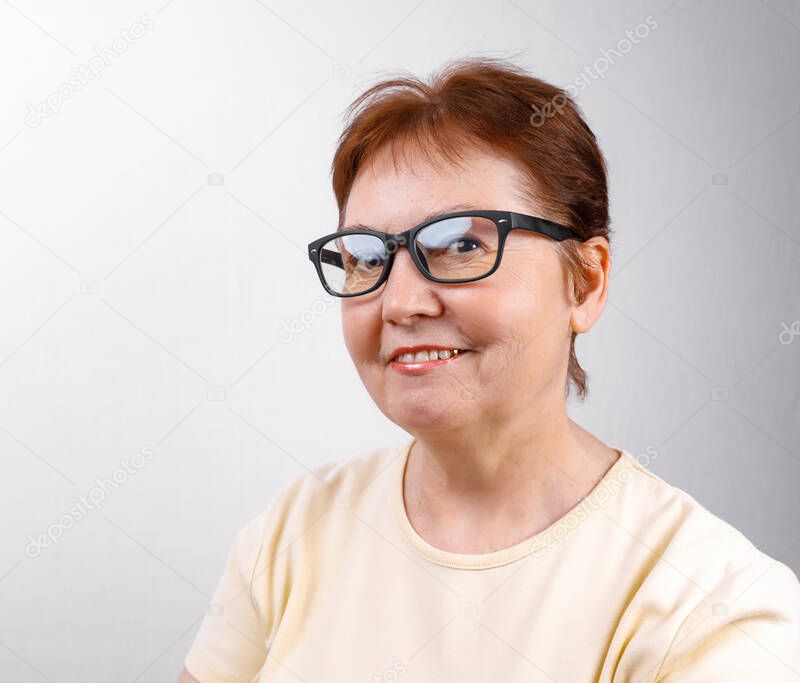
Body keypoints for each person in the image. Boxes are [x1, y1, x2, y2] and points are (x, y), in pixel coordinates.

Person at [178, 57, 800, 681]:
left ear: (584, 283)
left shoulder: (713, 606)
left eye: (463, 245)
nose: (399, 303)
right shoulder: (294, 531)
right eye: (367, 257)